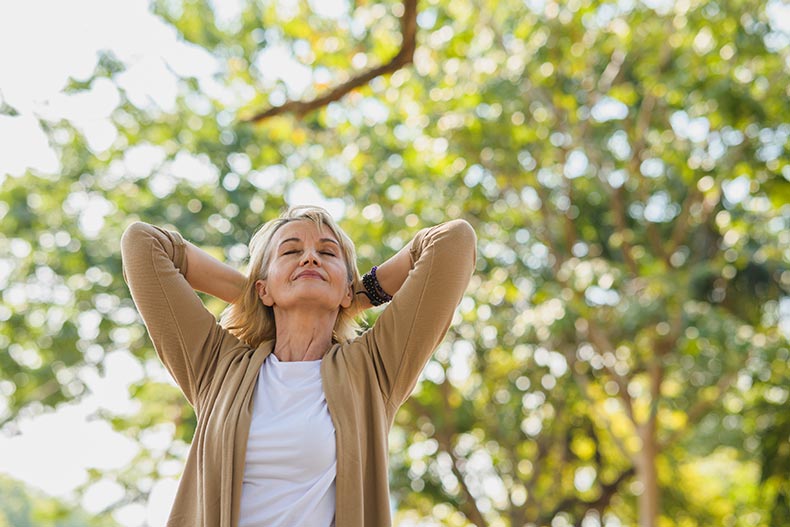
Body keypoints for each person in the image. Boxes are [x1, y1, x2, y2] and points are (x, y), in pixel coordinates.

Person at [120, 204, 477, 527]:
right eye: (291, 251)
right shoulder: (217, 366)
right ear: (264, 288)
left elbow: (452, 242)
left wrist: (354, 296)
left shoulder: (373, 368)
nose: (309, 258)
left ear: (347, 289)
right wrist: (255, 296)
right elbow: (143, 244)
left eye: (327, 253)